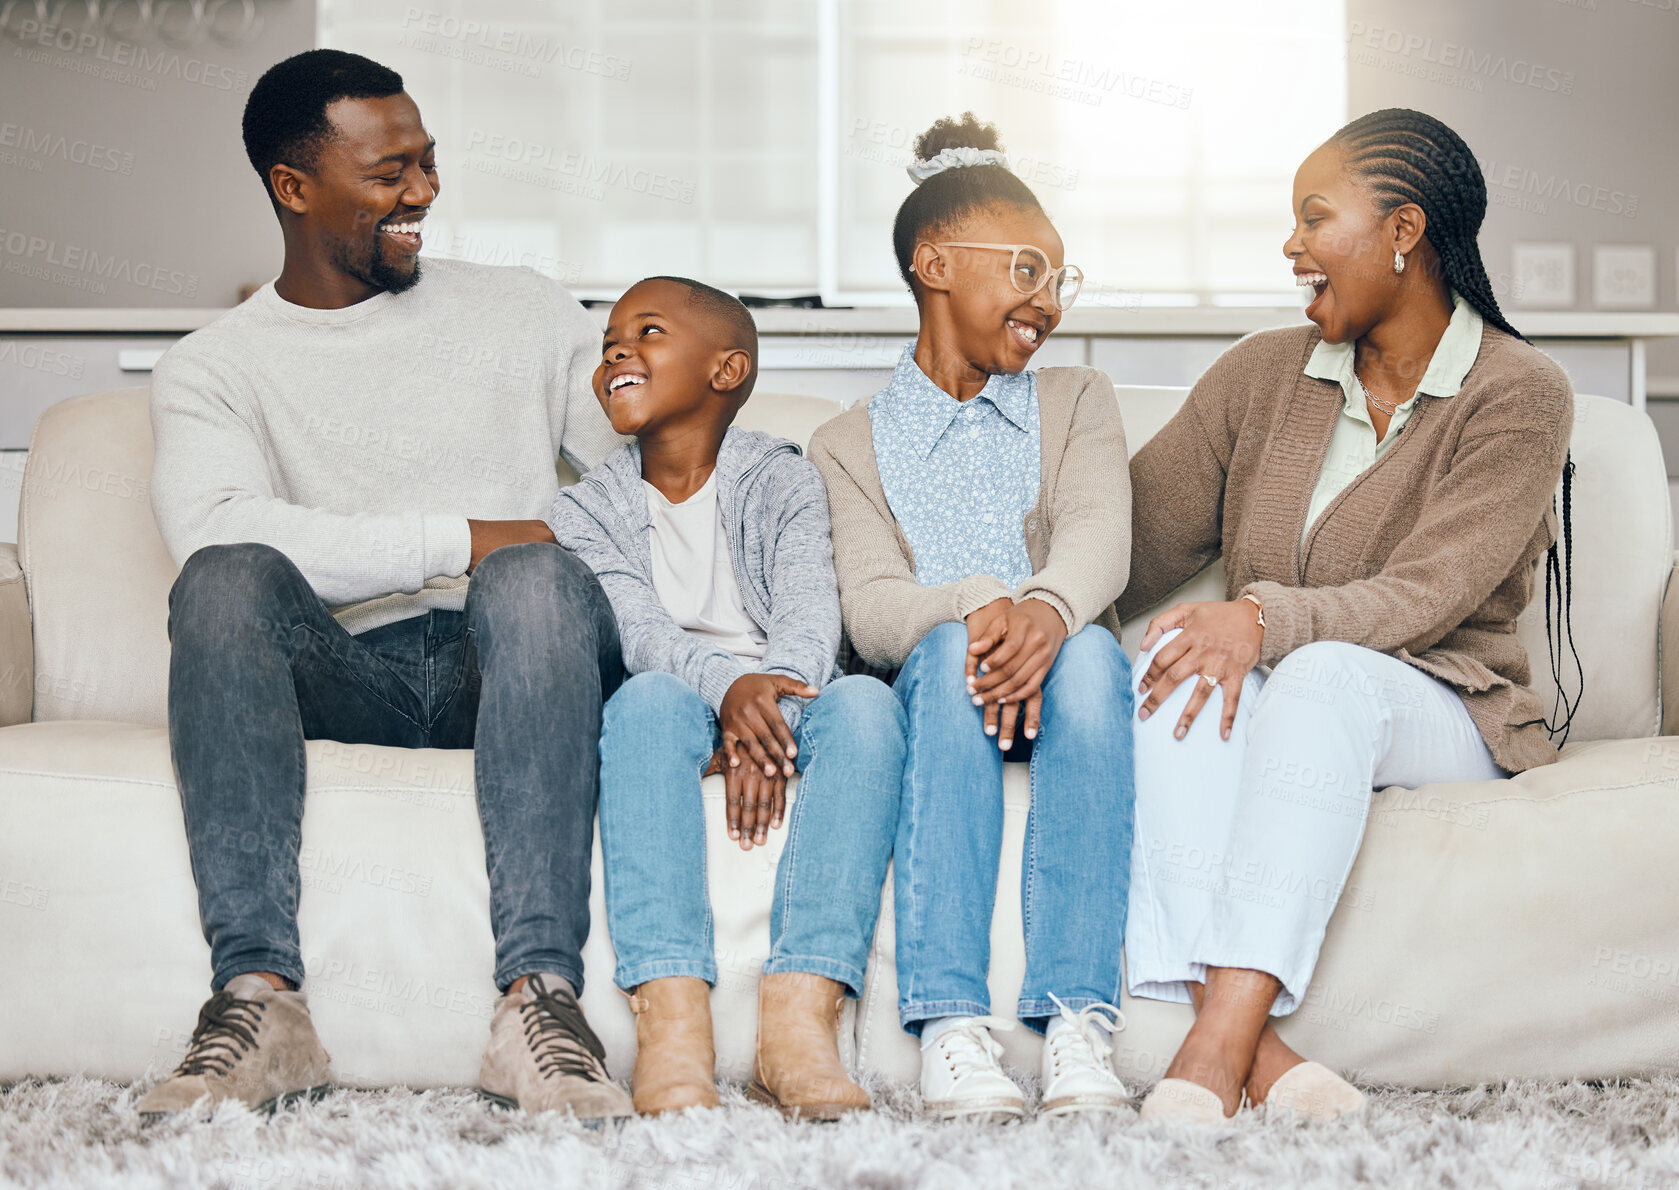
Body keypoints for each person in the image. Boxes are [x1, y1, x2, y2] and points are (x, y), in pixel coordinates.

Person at [141, 49, 633, 1121]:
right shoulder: (214, 364)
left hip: (510, 657)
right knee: (223, 578)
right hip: (342, 667)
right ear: (293, 185)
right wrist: (459, 531)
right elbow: (215, 527)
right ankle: (260, 1003)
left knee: (537, 576)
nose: (422, 193)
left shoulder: (525, 310)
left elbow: (642, 486)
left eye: (427, 162)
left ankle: (540, 1003)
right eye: (387, 172)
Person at [1120, 108, 1576, 1123]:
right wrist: (1007, 596)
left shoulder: (1516, 392)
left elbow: (1429, 592)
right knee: (1172, 664)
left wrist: (1259, 617)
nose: (1289, 245)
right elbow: (1129, 539)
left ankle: (1210, 1049)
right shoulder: (1262, 375)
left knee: (1315, 675)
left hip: (1447, 702)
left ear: (1402, 231)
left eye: (1312, 217)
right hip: (1295, 700)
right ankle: (1264, 1061)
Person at [808, 115, 1135, 1122]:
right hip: (943, 689)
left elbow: (1096, 538)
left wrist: (1041, 606)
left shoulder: (1075, 398)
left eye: (1059, 279)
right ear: (933, 261)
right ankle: (951, 1022)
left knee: (1087, 655)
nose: (1046, 300)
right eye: (1028, 269)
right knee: (951, 643)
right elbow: (868, 610)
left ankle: (1079, 1019)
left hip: (1064, 677)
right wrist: (978, 602)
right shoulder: (845, 441)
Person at [548, 277, 904, 1120]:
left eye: (648, 333)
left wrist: (768, 709)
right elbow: (637, 633)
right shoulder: (580, 511)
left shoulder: (782, 476)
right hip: (676, 690)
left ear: (725, 369)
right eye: (608, 344)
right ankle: (672, 1025)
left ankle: (800, 1022)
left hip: (788, 687)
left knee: (866, 707)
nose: (617, 352)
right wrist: (728, 690)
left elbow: (813, 610)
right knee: (640, 707)